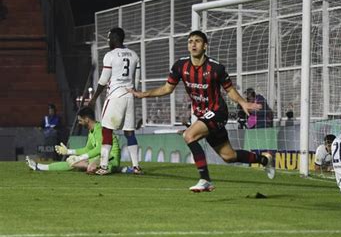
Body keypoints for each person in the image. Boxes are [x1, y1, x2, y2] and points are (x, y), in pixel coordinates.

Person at [128, 30, 275, 192]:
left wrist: (243, 102)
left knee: (189, 135)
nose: (193, 44)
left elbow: (230, 90)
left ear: (205, 46)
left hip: (218, 111)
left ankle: (205, 179)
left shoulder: (216, 68)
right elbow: (167, 88)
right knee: (229, 156)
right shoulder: (180, 66)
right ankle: (264, 160)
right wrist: (143, 94)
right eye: (190, 41)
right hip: (202, 115)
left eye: (197, 41)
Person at [88, 27, 142, 175]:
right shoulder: (134, 55)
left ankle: (104, 167)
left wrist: (94, 98)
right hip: (130, 96)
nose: (108, 40)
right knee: (129, 132)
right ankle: (136, 166)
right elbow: (136, 81)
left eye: (109, 37)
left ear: (115, 38)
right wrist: (132, 92)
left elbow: (104, 80)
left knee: (106, 129)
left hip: (115, 96)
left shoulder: (110, 55)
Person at [26, 107, 121, 173]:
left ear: (87, 119)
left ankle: (118, 169)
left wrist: (79, 158)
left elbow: (99, 149)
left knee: (87, 166)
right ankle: (39, 167)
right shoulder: (91, 131)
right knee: (71, 162)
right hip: (101, 158)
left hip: (111, 159)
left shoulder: (99, 130)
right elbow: (87, 149)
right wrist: (68, 151)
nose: (79, 123)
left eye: (80, 120)